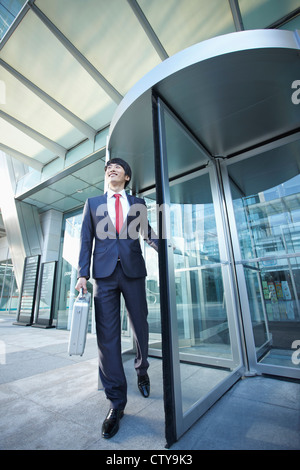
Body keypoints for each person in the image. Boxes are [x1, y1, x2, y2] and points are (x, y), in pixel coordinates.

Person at [75, 158, 158, 439]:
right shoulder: (93, 203)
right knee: (107, 337)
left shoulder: (139, 203)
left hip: (133, 271)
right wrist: (82, 274)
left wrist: (166, 248)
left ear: (126, 176)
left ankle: (142, 369)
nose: (111, 169)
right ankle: (116, 403)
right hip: (105, 275)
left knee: (140, 327)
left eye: (117, 167)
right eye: (108, 167)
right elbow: (86, 239)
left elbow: (147, 233)